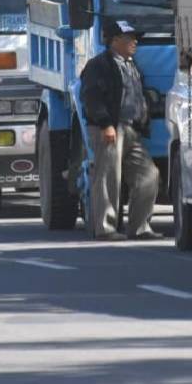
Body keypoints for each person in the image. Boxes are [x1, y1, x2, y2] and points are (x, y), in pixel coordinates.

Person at [79, 20, 160, 241]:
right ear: (114, 41)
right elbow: (91, 97)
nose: (135, 42)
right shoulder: (99, 65)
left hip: (132, 130)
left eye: (135, 38)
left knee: (149, 175)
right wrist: (105, 124)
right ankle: (105, 229)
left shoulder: (131, 64)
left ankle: (139, 227)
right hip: (110, 129)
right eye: (129, 38)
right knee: (108, 178)